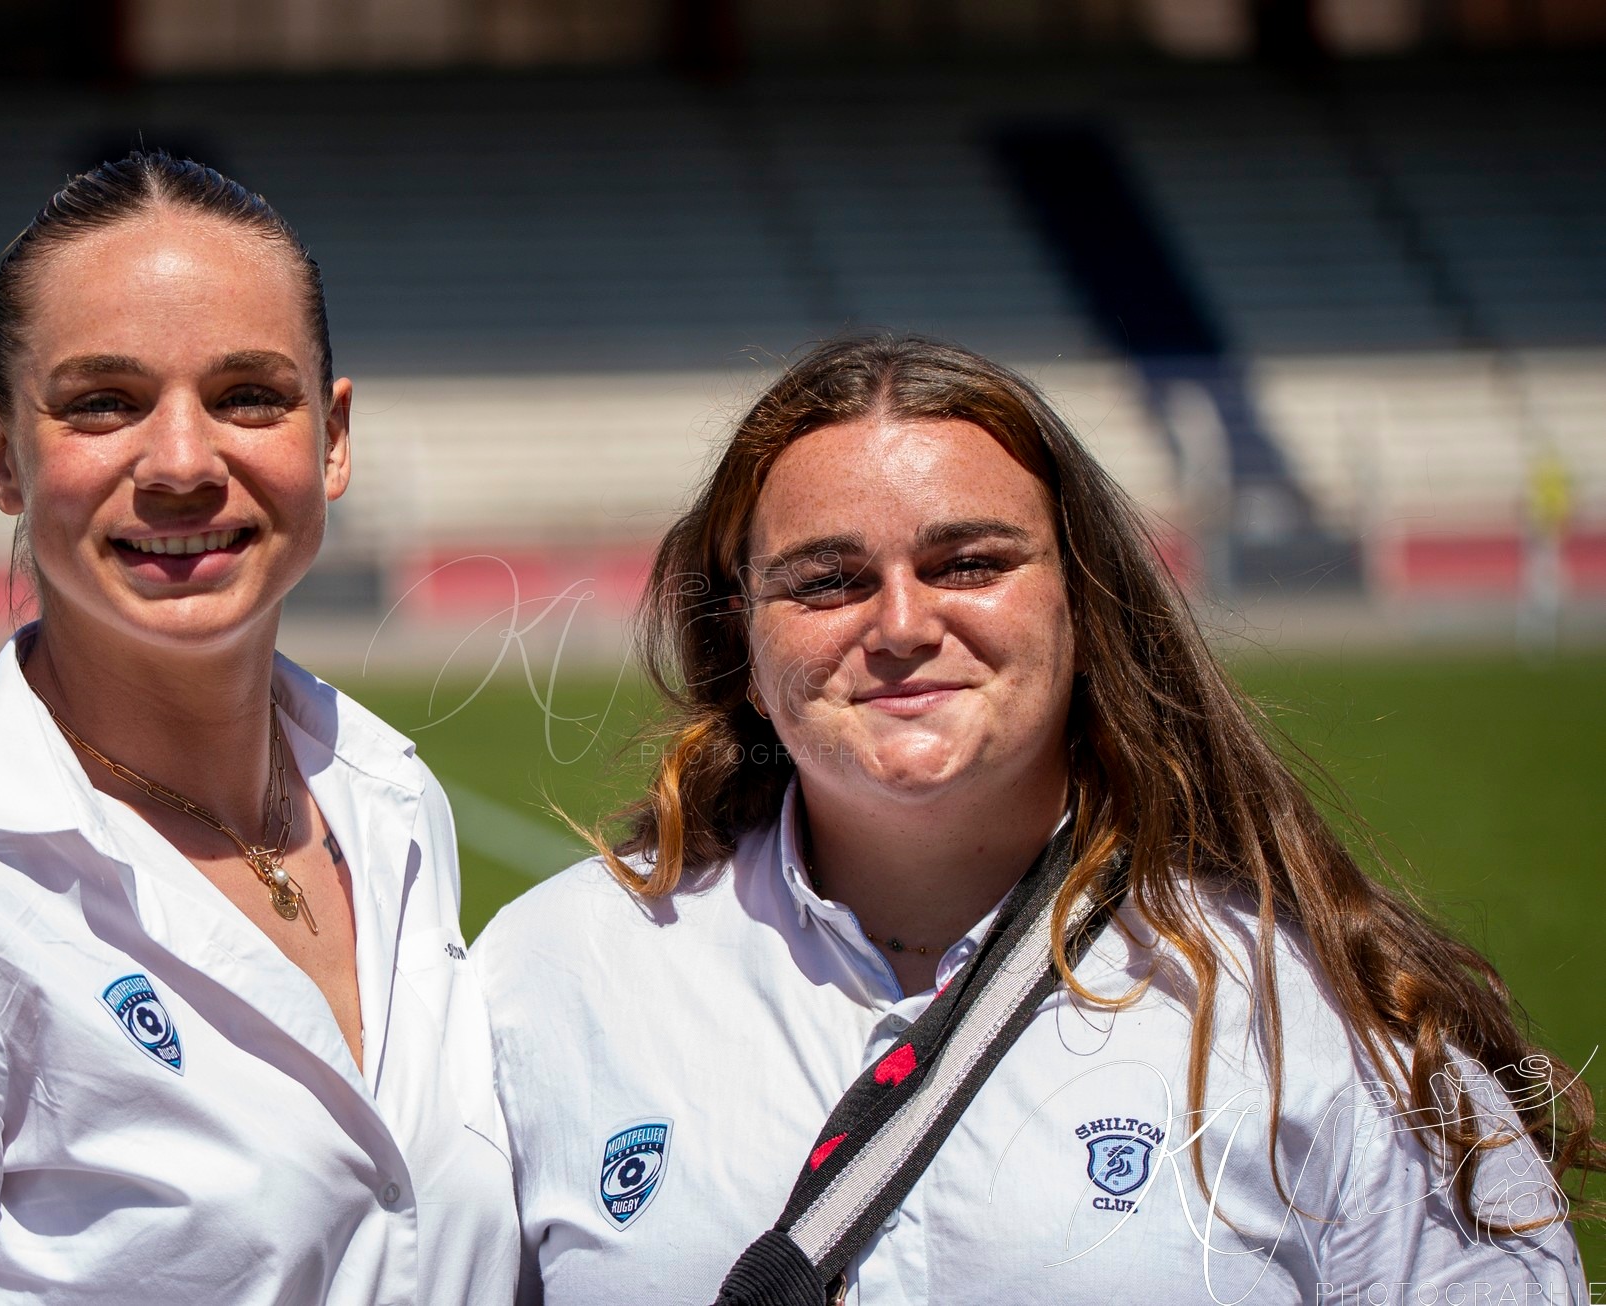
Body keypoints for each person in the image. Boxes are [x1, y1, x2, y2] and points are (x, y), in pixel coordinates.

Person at [473, 334, 1596, 1302]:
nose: (901, 624)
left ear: (1085, 607)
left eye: (969, 563)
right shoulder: (548, 979)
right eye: (825, 580)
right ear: (743, 647)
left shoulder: (1311, 1012)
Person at [0, 152, 519, 1304]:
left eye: (248, 394)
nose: (184, 463)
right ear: (1, 454)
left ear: (333, 437)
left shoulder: (391, 800)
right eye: (104, 402)